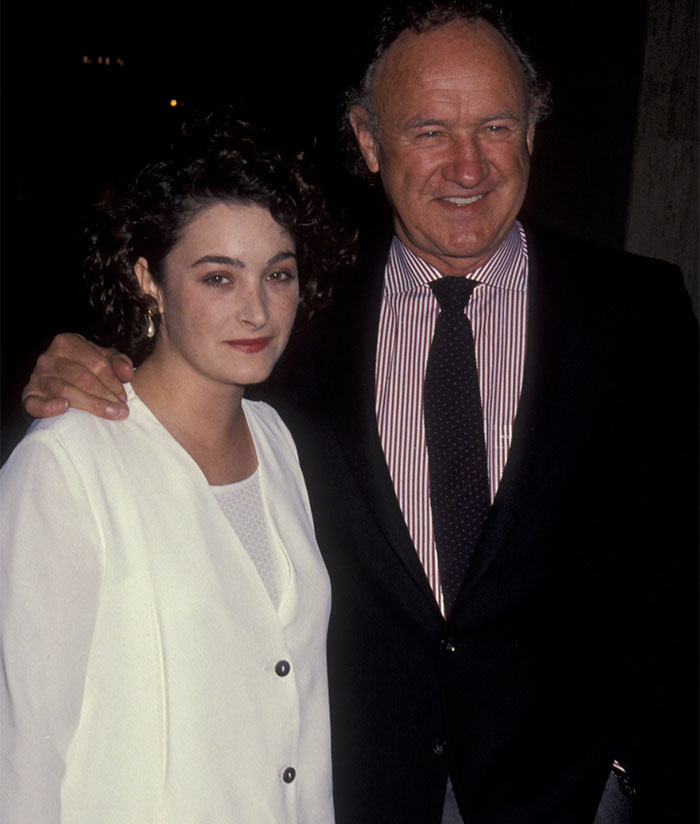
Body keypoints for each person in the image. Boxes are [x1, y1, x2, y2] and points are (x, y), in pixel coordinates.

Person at [19, 3, 699, 823]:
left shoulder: (638, 310)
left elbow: (680, 557)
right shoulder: (300, 316)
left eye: (494, 125)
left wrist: (632, 765)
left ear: (533, 131)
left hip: (571, 790)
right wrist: (85, 358)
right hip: (361, 791)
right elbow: (190, 346)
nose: (467, 165)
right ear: (369, 141)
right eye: (428, 132)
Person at [2, 114, 353, 823]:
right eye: (218, 277)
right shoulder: (65, 464)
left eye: (278, 274)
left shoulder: (278, 439)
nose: (256, 309)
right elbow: (21, 752)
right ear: (148, 279)